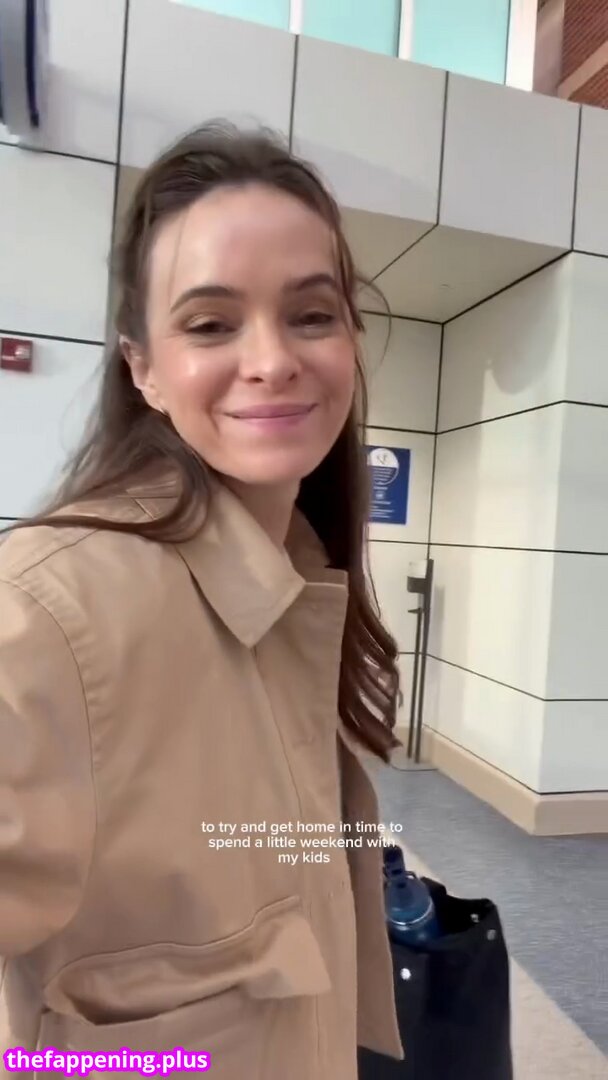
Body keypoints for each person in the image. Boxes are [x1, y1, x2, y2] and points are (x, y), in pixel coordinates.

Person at [0, 122, 404, 1080]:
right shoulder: (52, 615)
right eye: (212, 324)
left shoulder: (299, 582)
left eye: (312, 314)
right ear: (142, 368)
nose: (272, 360)